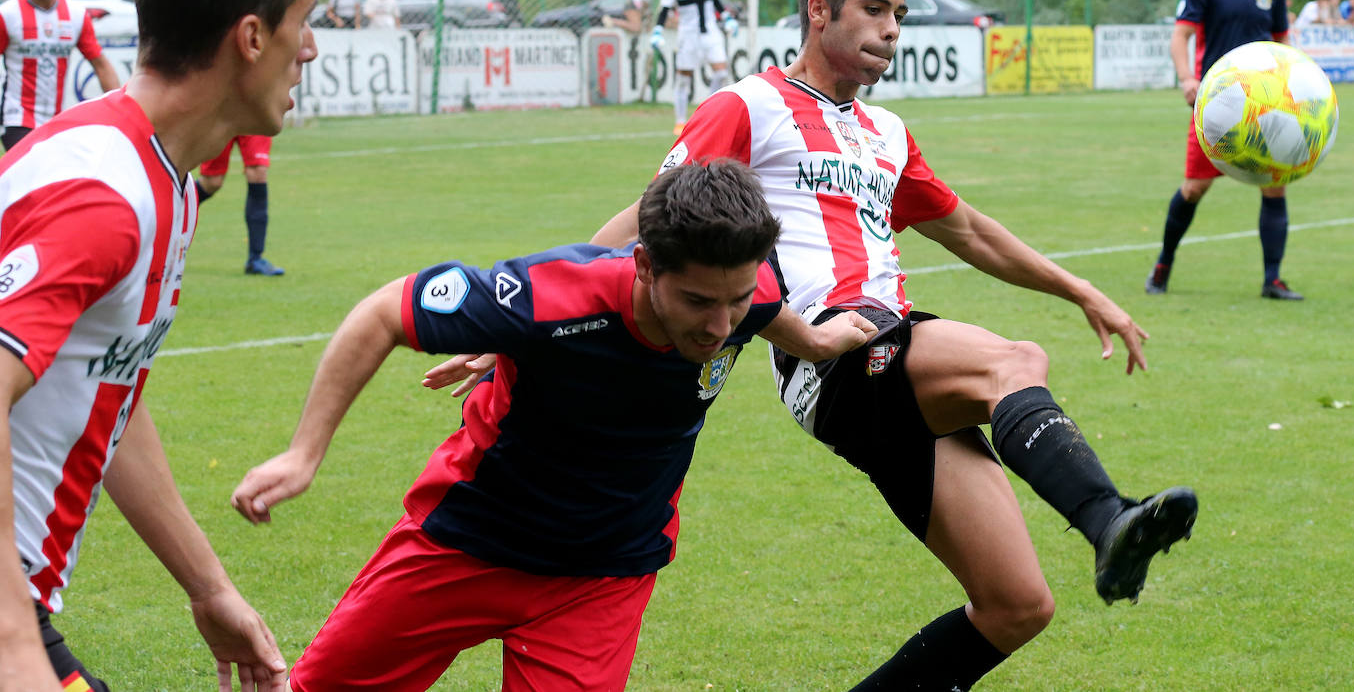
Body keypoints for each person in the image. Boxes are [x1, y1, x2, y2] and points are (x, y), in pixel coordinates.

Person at [592, 0, 1197, 691]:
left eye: (899, 15)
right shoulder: (750, 105)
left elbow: (969, 231)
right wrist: (533, 309)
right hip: (834, 351)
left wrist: (1079, 288)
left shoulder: (886, 133)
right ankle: (1109, 521)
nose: (891, 30)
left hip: (890, 365)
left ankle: (1105, 528)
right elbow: (653, 211)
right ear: (820, 11)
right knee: (1015, 361)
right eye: (874, 10)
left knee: (1016, 605)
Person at [229, 159, 876, 692]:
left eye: (734, 301)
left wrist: (823, 342)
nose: (719, 325)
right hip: (465, 543)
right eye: (699, 302)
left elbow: (768, 311)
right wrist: (303, 452)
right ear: (645, 264)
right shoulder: (549, 298)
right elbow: (382, 314)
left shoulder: (746, 287)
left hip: (603, 576)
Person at [0, 0, 319, 691]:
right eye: (302, 21)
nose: (310, 48)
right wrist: (12, 650)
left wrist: (208, 586)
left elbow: (107, 380)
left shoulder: (161, 179)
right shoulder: (105, 195)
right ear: (251, 37)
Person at [1149, 0, 1300, 300]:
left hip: (1267, 106)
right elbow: (1180, 35)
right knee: (1195, 187)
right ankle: (1162, 266)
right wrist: (1187, 78)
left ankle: (1273, 280)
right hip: (1216, 106)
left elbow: (1282, 41)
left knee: (1274, 186)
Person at [0, 0, 121, 150]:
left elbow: (100, 65)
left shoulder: (75, 15)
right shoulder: (8, 14)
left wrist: (122, 111)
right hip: (17, 119)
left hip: (56, 121)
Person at [649, 0, 738, 135]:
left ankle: (707, 111)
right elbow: (664, 10)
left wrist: (727, 18)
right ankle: (680, 121)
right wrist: (657, 31)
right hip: (688, 35)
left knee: (722, 73)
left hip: (711, 32)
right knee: (683, 79)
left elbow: (715, 1)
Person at [196, 136, 285, 276]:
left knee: (258, 172)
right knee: (212, 182)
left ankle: (255, 259)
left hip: (254, 116)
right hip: (222, 116)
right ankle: (168, 216)